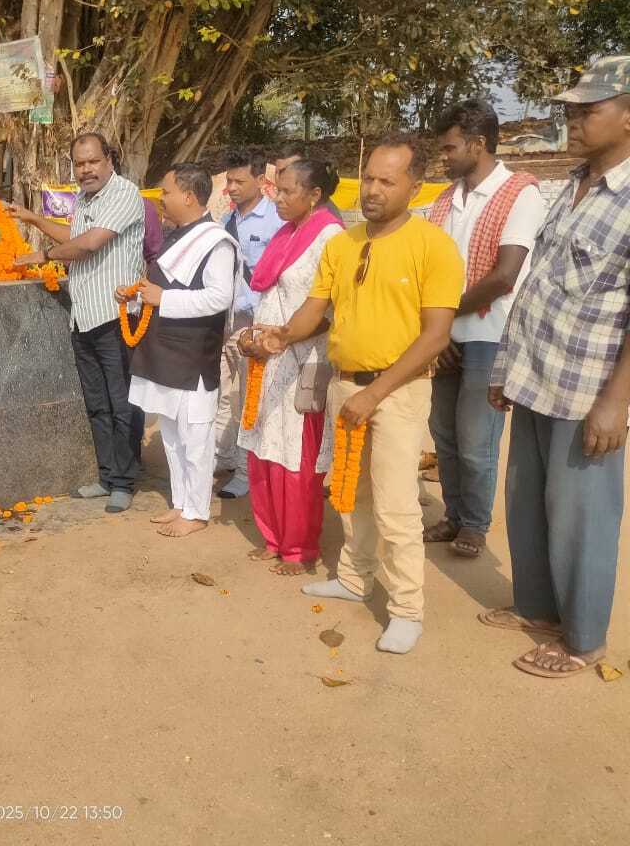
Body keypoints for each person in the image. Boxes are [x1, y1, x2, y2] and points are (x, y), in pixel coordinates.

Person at [255, 135, 464, 654]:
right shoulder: (342, 244)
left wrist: (375, 395)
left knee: (395, 506)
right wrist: (283, 335)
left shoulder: (434, 246)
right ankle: (353, 577)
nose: (372, 189)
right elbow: (315, 309)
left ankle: (407, 609)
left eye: (387, 181)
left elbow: (436, 336)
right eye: (368, 177)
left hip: (399, 390)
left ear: (415, 187)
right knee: (351, 492)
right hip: (344, 384)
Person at [484, 55, 630, 679]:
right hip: (534, 376)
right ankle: (538, 608)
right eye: (571, 110)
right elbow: (538, 286)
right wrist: (504, 369)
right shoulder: (570, 186)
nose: (573, 120)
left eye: (588, 110)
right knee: (526, 504)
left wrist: (616, 401)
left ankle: (583, 640)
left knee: (581, 518)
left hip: (586, 390)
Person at [425, 100, 547, 558]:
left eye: (450, 147)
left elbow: (503, 276)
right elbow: (428, 268)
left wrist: (443, 317)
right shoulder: (446, 198)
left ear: (478, 144)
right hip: (445, 332)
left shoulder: (520, 193)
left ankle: (474, 524)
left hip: (490, 332)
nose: (443, 156)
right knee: (444, 434)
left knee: (476, 439)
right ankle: (454, 515)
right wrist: (438, 329)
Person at [11, 132, 146, 513]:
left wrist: (43, 256)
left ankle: (124, 481)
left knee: (123, 404)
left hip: (116, 317)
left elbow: (89, 244)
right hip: (84, 317)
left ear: (109, 160)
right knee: (98, 403)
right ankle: (107, 476)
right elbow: (75, 235)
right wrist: (34, 218)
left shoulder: (124, 193)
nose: (86, 169)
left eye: (93, 161)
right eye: (80, 163)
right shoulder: (85, 199)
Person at [237, 160, 345, 575]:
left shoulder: (330, 237)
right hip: (267, 358)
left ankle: (299, 548)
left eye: (287, 192)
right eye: (276, 190)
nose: (277, 199)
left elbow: (327, 311)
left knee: (297, 456)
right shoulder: (287, 233)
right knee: (264, 446)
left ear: (314, 195)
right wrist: (255, 339)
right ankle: (273, 537)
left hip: (301, 361)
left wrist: (281, 338)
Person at [119, 163, 236, 537]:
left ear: (188, 196)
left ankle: (197, 512)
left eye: (166, 191)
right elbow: (161, 288)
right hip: (163, 351)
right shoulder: (175, 235)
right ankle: (182, 502)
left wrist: (163, 299)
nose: (161, 198)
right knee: (171, 435)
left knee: (195, 438)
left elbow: (219, 298)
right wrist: (137, 297)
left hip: (192, 357)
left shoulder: (215, 242)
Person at [213, 150, 284, 499]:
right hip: (226, 321)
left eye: (239, 181)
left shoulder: (275, 221)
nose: (232, 187)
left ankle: (244, 472)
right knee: (221, 394)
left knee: (247, 400)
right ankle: (222, 456)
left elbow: (276, 277)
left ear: (260, 180)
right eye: (229, 181)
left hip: (256, 325)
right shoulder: (227, 219)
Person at [273, 141, 345, 223]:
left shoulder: (328, 225)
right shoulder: (276, 207)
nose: (279, 178)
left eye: (286, 171)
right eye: (277, 172)